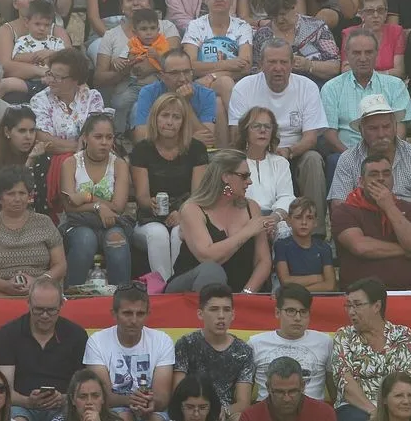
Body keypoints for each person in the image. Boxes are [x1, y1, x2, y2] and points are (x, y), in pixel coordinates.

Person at [228, 38, 329, 234]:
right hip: (255, 152)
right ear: (260, 64)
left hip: (295, 152)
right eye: (272, 62)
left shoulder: (307, 87)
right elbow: (236, 134)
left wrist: (288, 151)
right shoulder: (244, 87)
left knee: (314, 160)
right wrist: (262, 151)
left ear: (292, 64)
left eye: (283, 62)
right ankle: (247, 224)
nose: (278, 68)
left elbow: (311, 138)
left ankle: (315, 234)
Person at [165, 149, 272, 293]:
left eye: (249, 176)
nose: (249, 181)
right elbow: (207, 257)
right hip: (190, 288)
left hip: (240, 292)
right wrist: (246, 232)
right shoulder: (192, 209)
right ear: (225, 177)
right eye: (244, 176)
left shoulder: (252, 208)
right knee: (211, 270)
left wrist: (246, 294)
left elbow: (263, 261)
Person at [328, 94, 411, 226]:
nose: (381, 134)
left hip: (408, 223)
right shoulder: (348, 159)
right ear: (361, 130)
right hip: (362, 227)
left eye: (386, 126)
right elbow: (339, 204)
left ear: (395, 126)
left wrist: (404, 227)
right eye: (373, 128)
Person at [130, 94, 209, 280]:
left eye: (176, 117)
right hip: (150, 219)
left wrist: (183, 213)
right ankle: (164, 287)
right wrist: (151, 204)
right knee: (158, 234)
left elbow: (198, 195)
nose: (170, 122)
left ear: (183, 122)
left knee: (179, 233)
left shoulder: (196, 148)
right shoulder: (142, 149)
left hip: (186, 213)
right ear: (155, 118)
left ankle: (178, 283)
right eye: (165, 115)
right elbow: (141, 197)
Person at [0, 277, 89, 421]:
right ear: (28, 303)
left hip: (63, 405)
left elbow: (85, 386)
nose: (44, 315)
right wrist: (27, 401)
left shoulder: (76, 335)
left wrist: (63, 398)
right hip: (20, 405)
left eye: (51, 310)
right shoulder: (8, 334)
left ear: (61, 304)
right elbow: (3, 390)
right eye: (38, 309)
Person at [93, 0, 180, 134]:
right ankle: (118, 135)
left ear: (150, 3)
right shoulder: (111, 35)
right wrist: (122, 70)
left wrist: (146, 65)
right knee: (121, 103)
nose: (135, 3)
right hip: (128, 87)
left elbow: (175, 62)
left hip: (160, 86)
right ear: (122, 6)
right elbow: (99, 78)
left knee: (140, 108)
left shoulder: (166, 27)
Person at [332, 153, 411, 291]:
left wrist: (389, 206)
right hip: (360, 294)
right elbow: (361, 247)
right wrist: (406, 251)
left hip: (403, 292)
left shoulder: (409, 208)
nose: (381, 178)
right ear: (361, 182)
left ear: (393, 179)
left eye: (386, 174)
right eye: (374, 174)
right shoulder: (344, 211)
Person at [0, 166, 66, 295]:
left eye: (22, 193)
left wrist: (38, 282)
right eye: (10, 194)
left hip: (41, 291)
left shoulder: (45, 223)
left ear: (29, 196)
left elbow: (60, 265)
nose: (17, 199)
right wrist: (6, 286)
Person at [331, 278, 411, 421]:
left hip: (395, 406)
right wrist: (375, 412)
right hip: (355, 407)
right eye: (348, 306)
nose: (351, 312)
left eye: (357, 305)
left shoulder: (402, 334)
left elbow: (407, 379)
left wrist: (386, 411)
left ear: (377, 306)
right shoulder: (344, 336)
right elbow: (345, 382)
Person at [85, 283, 175, 421]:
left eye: (140, 314)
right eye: (127, 313)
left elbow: (162, 397)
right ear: (114, 314)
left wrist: (152, 402)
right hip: (115, 408)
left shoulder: (162, 341)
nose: (134, 320)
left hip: (151, 409)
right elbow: (101, 395)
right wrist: (131, 400)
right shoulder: (97, 341)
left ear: (148, 314)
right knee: (124, 417)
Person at [61, 113, 132, 286]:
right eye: (98, 137)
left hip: (110, 223)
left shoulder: (119, 164)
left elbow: (118, 206)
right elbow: (69, 206)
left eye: (109, 137)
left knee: (117, 240)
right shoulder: (70, 163)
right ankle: (72, 293)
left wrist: (88, 197)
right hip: (77, 223)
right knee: (86, 240)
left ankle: (122, 294)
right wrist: (98, 206)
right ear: (85, 138)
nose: (104, 142)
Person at [321, 28, 411, 159]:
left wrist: (385, 157)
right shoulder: (331, 88)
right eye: (356, 53)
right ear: (346, 55)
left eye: (369, 52)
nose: (363, 58)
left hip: (389, 154)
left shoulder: (395, 85)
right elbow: (329, 134)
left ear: (377, 53)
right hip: (347, 155)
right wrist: (352, 158)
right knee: (334, 160)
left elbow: (400, 128)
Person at [172, 283, 252, 418]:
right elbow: (178, 392)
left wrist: (223, 412)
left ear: (233, 314)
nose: (221, 316)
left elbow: (243, 403)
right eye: (214, 309)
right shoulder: (186, 344)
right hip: (192, 411)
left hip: (225, 414)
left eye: (226, 310)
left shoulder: (243, 351)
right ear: (200, 314)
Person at [248, 284, 333, 402]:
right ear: (277, 312)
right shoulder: (255, 343)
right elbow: (245, 393)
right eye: (291, 311)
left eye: (303, 311)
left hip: (312, 410)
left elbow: (334, 391)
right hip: (268, 409)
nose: (298, 318)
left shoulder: (325, 342)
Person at [0, 0, 73, 97]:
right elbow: (4, 67)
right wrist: (42, 71)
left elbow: (71, 62)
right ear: (15, 3)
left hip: (55, 83)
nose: (31, 0)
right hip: (22, 86)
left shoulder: (56, 31)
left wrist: (50, 56)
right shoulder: (6, 31)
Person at [250, 0, 340, 83]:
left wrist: (309, 65)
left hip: (314, 87)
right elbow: (254, 72)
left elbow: (335, 67)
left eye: (283, 14)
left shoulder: (317, 27)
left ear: (294, 5)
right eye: (274, 15)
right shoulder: (262, 35)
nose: (279, 20)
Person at [132, 49, 220, 148]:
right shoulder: (149, 92)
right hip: (158, 152)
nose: (182, 79)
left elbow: (207, 141)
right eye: (175, 73)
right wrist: (188, 139)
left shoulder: (206, 94)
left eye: (186, 72)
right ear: (162, 76)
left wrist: (185, 103)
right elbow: (141, 137)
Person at [182, 0, 253, 90]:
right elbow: (190, 66)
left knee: (224, 86)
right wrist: (226, 64)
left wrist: (213, 76)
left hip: (234, 84)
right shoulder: (195, 26)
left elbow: (245, 67)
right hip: (200, 85)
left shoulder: (243, 27)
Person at [30, 48, 105, 155]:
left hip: (91, 158)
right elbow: (43, 140)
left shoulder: (92, 97)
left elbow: (99, 134)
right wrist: (81, 147)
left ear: (76, 79)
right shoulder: (39, 100)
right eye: (50, 74)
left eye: (57, 77)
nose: (51, 80)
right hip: (56, 159)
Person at [235, 107, 295, 235]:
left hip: (274, 221)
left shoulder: (281, 163)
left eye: (267, 127)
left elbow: (286, 197)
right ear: (245, 131)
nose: (263, 130)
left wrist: (274, 218)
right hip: (241, 220)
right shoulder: (234, 163)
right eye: (256, 126)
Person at [0, 106, 51, 216]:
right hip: (1, 217)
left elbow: (38, 199)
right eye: (22, 131)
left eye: (32, 131)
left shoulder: (40, 156)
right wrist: (29, 163)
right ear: (7, 132)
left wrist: (32, 159)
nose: (28, 137)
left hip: (36, 217)